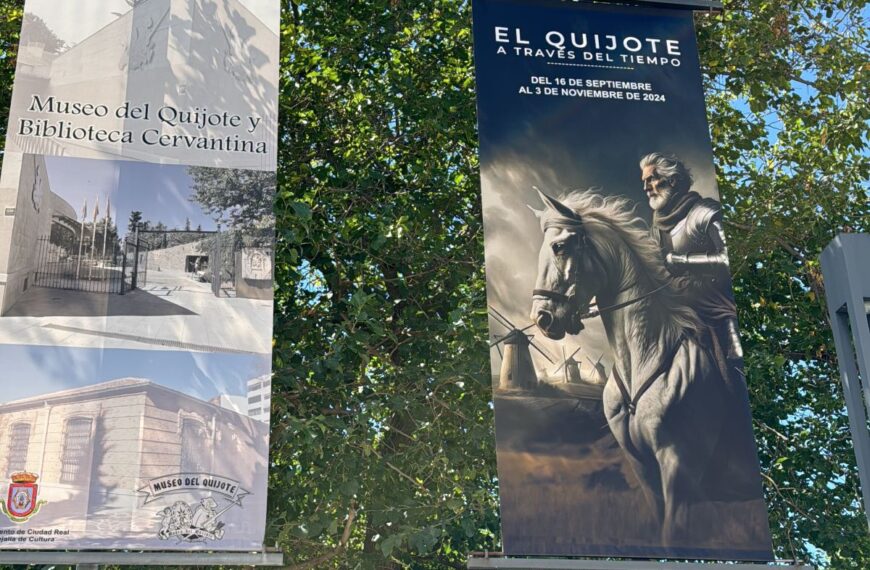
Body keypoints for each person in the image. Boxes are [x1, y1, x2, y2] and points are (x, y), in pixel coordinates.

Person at [640, 152, 744, 373]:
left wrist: (683, 260)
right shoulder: (656, 231)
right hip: (674, 302)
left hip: (712, 302)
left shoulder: (704, 212)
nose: (646, 187)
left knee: (735, 366)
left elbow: (727, 259)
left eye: (651, 179)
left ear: (673, 180)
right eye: (644, 182)